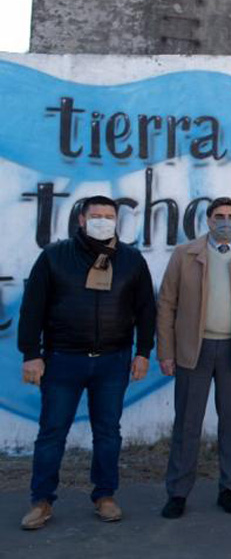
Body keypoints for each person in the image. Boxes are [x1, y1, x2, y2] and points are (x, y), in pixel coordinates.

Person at [17, 195, 155, 530]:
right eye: (96, 216)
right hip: (63, 360)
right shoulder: (54, 257)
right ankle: (42, 501)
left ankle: (105, 496)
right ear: (81, 220)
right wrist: (31, 354)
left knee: (108, 433)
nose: (103, 221)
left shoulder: (132, 260)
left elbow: (146, 310)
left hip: (113, 361)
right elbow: (32, 308)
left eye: (109, 216)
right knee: (52, 433)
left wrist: (143, 352)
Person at [157, 197, 231, 519]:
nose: (226, 221)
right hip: (194, 350)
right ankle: (178, 493)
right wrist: (165, 351)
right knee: (187, 424)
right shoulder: (185, 255)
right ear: (207, 220)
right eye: (219, 216)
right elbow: (166, 304)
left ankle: (229, 489)